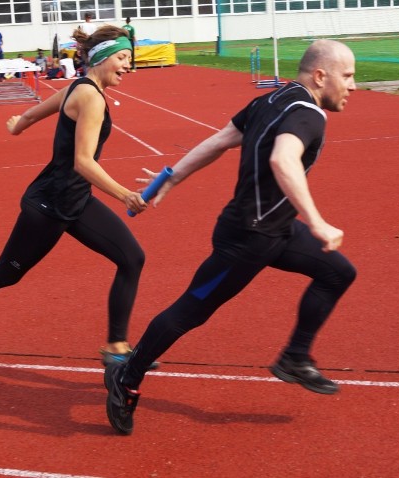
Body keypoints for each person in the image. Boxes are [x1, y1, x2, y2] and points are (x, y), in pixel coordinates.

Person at [104, 39, 358, 435]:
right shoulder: (309, 113)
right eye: (347, 76)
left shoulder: (272, 100)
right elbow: (282, 159)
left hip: (276, 230)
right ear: (320, 76)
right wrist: (318, 221)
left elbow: (219, 140)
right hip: (247, 239)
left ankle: (295, 357)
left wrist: (170, 180)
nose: (353, 86)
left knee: (338, 273)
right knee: (191, 311)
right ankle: (127, 376)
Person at [0, 26, 152, 371]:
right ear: (101, 57)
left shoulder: (79, 88)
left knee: (131, 258)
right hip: (50, 204)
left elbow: (40, 110)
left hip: (75, 200)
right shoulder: (91, 97)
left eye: (129, 58)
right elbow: (82, 162)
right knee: (5, 273)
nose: (128, 66)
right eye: (123, 57)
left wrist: (18, 125)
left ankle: (116, 345)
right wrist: (125, 195)